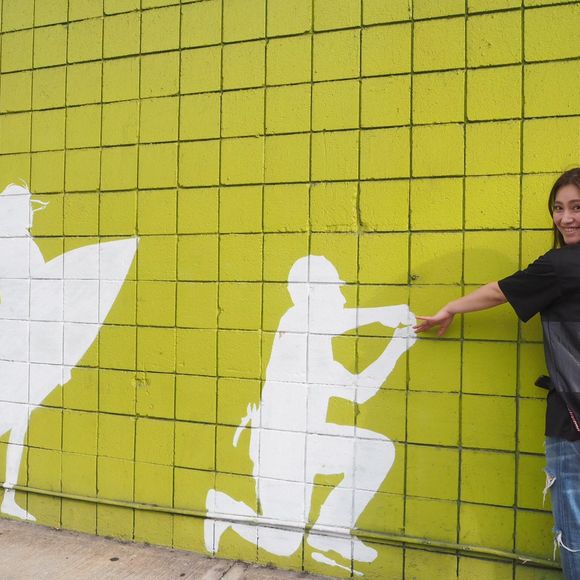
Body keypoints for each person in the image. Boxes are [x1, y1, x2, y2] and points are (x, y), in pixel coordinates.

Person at [415, 167, 580, 580]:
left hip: (572, 419)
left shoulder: (562, 265)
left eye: (577, 207)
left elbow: (499, 291)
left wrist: (450, 307)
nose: (565, 218)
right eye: (559, 208)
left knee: (576, 532)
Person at [205, 255, 417, 574]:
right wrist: (383, 314)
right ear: (310, 292)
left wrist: (396, 347)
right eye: (335, 290)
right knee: (283, 544)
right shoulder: (294, 325)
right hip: (279, 450)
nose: (342, 297)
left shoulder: (318, 352)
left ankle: (330, 532)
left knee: (376, 450)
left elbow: (360, 390)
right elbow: (325, 321)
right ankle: (224, 508)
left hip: (310, 441)